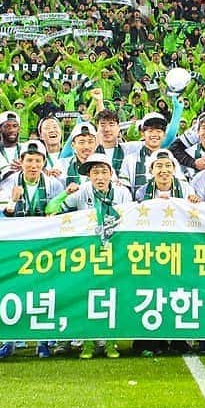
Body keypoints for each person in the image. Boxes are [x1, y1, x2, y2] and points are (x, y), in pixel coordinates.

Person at [48, 153, 133, 359]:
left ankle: (110, 343)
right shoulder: (81, 192)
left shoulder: (122, 194)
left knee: (113, 296)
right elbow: (50, 211)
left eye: (104, 171)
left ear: (111, 174)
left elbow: (132, 221)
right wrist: (63, 194)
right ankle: (86, 343)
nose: (100, 176)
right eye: (95, 172)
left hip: (115, 254)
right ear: (89, 176)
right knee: (87, 297)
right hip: (87, 255)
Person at [135, 149, 201, 202]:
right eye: (159, 166)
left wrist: (194, 201)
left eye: (168, 165)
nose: (164, 170)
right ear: (151, 170)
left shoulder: (187, 189)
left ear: (174, 168)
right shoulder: (142, 192)